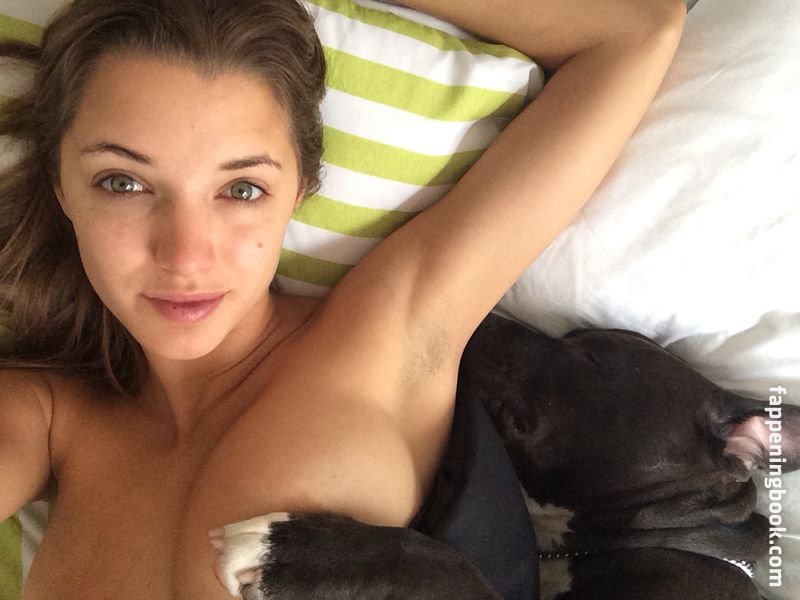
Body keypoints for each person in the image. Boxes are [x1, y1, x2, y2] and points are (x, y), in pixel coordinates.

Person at [0, 0, 686, 597]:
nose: (184, 255)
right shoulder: (49, 414)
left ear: (299, 191)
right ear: (61, 187)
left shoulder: (391, 329)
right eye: (122, 183)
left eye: (242, 190)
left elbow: (634, 32)